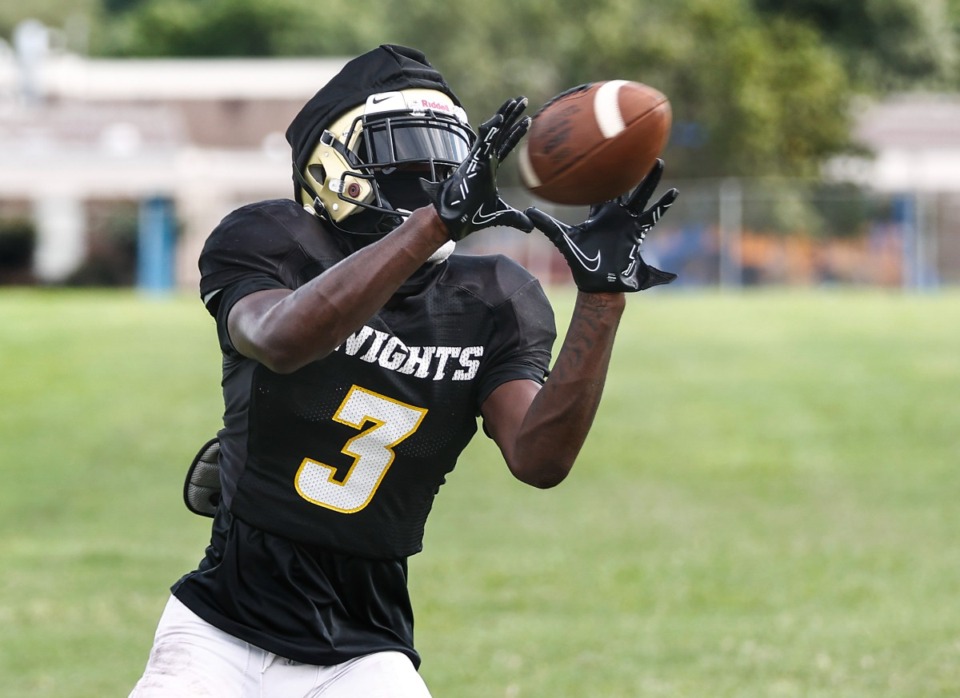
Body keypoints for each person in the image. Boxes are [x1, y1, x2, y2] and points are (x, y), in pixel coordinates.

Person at [129, 44, 678, 697]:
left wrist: (602, 298)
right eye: (403, 149)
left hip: (364, 646)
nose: (431, 173)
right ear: (332, 165)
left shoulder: (493, 295)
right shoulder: (271, 240)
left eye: (446, 152)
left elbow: (539, 458)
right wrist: (433, 222)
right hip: (218, 632)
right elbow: (279, 340)